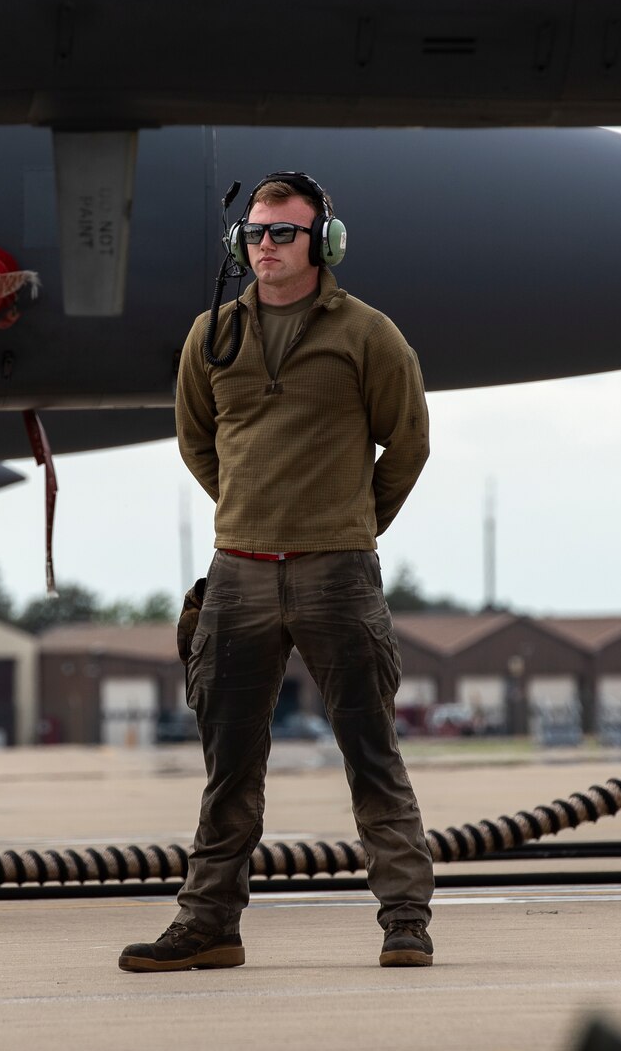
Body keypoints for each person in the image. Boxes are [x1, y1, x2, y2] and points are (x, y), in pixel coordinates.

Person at [120, 171, 434, 973]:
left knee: (369, 748)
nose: (265, 245)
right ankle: (210, 923)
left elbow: (408, 445)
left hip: (337, 573)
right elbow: (197, 441)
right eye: (254, 232)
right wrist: (253, 517)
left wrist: (349, 525)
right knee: (229, 760)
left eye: (282, 232)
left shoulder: (369, 334)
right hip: (240, 574)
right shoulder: (211, 334)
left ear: (324, 241)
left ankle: (405, 917)